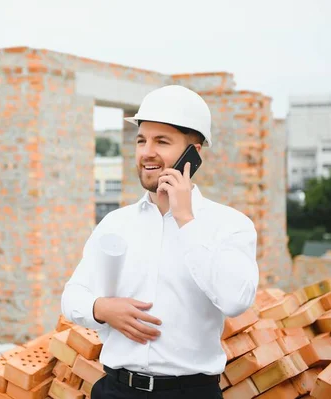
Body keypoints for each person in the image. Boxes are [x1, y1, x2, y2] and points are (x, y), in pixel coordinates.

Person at [61, 85, 259, 399]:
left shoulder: (229, 225)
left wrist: (185, 219)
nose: (147, 152)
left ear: (194, 152)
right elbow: (72, 295)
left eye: (162, 141)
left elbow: (235, 301)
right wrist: (101, 308)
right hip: (115, 391)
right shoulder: (116, 223)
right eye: (141, 140)